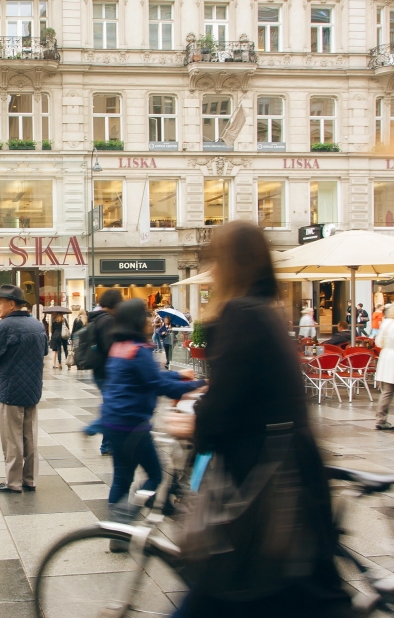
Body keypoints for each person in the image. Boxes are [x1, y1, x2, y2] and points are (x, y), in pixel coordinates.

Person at [166, 221, 357, 618]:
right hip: (295, 475)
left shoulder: (239, 313)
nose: (213, 270)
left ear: (230, 265)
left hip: (263, 485)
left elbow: (225, 406)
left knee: (216, 595)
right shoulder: (269, 313)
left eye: (217, 261)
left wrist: (195, 422)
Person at [100, 299, 205, 527]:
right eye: (147, 316)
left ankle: (115, 532)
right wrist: (198, 385)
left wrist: (179, 376)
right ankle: (127, 514)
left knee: (122, 478)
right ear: (138, 321)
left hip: (114, 423)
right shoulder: (139, 350)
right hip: (134, 425)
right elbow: (161, 386)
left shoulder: (119, 347)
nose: (151, 320)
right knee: (155, 476)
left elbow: (149, 378)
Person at [0, 285, 48, 493]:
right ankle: (30, 480)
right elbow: (44, 351)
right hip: (32, 389)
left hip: (10, 389)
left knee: (12, 439)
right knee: (30, 437)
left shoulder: (4, 327)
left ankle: (13, 482)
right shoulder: (37, 325)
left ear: (12, 304)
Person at [88, 290, 124, 455]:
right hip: (107, 371)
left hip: (99, 369)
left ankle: (108, 442)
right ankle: (107, 443)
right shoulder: (108, 320)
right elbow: (110, 348)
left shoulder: (96, 318)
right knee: (114, 407)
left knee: (112, 405)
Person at [375, 305, 394, 430]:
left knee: (387, 391)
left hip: (386, 357)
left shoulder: (385, 323)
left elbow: (378, 342)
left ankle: (381, 418)